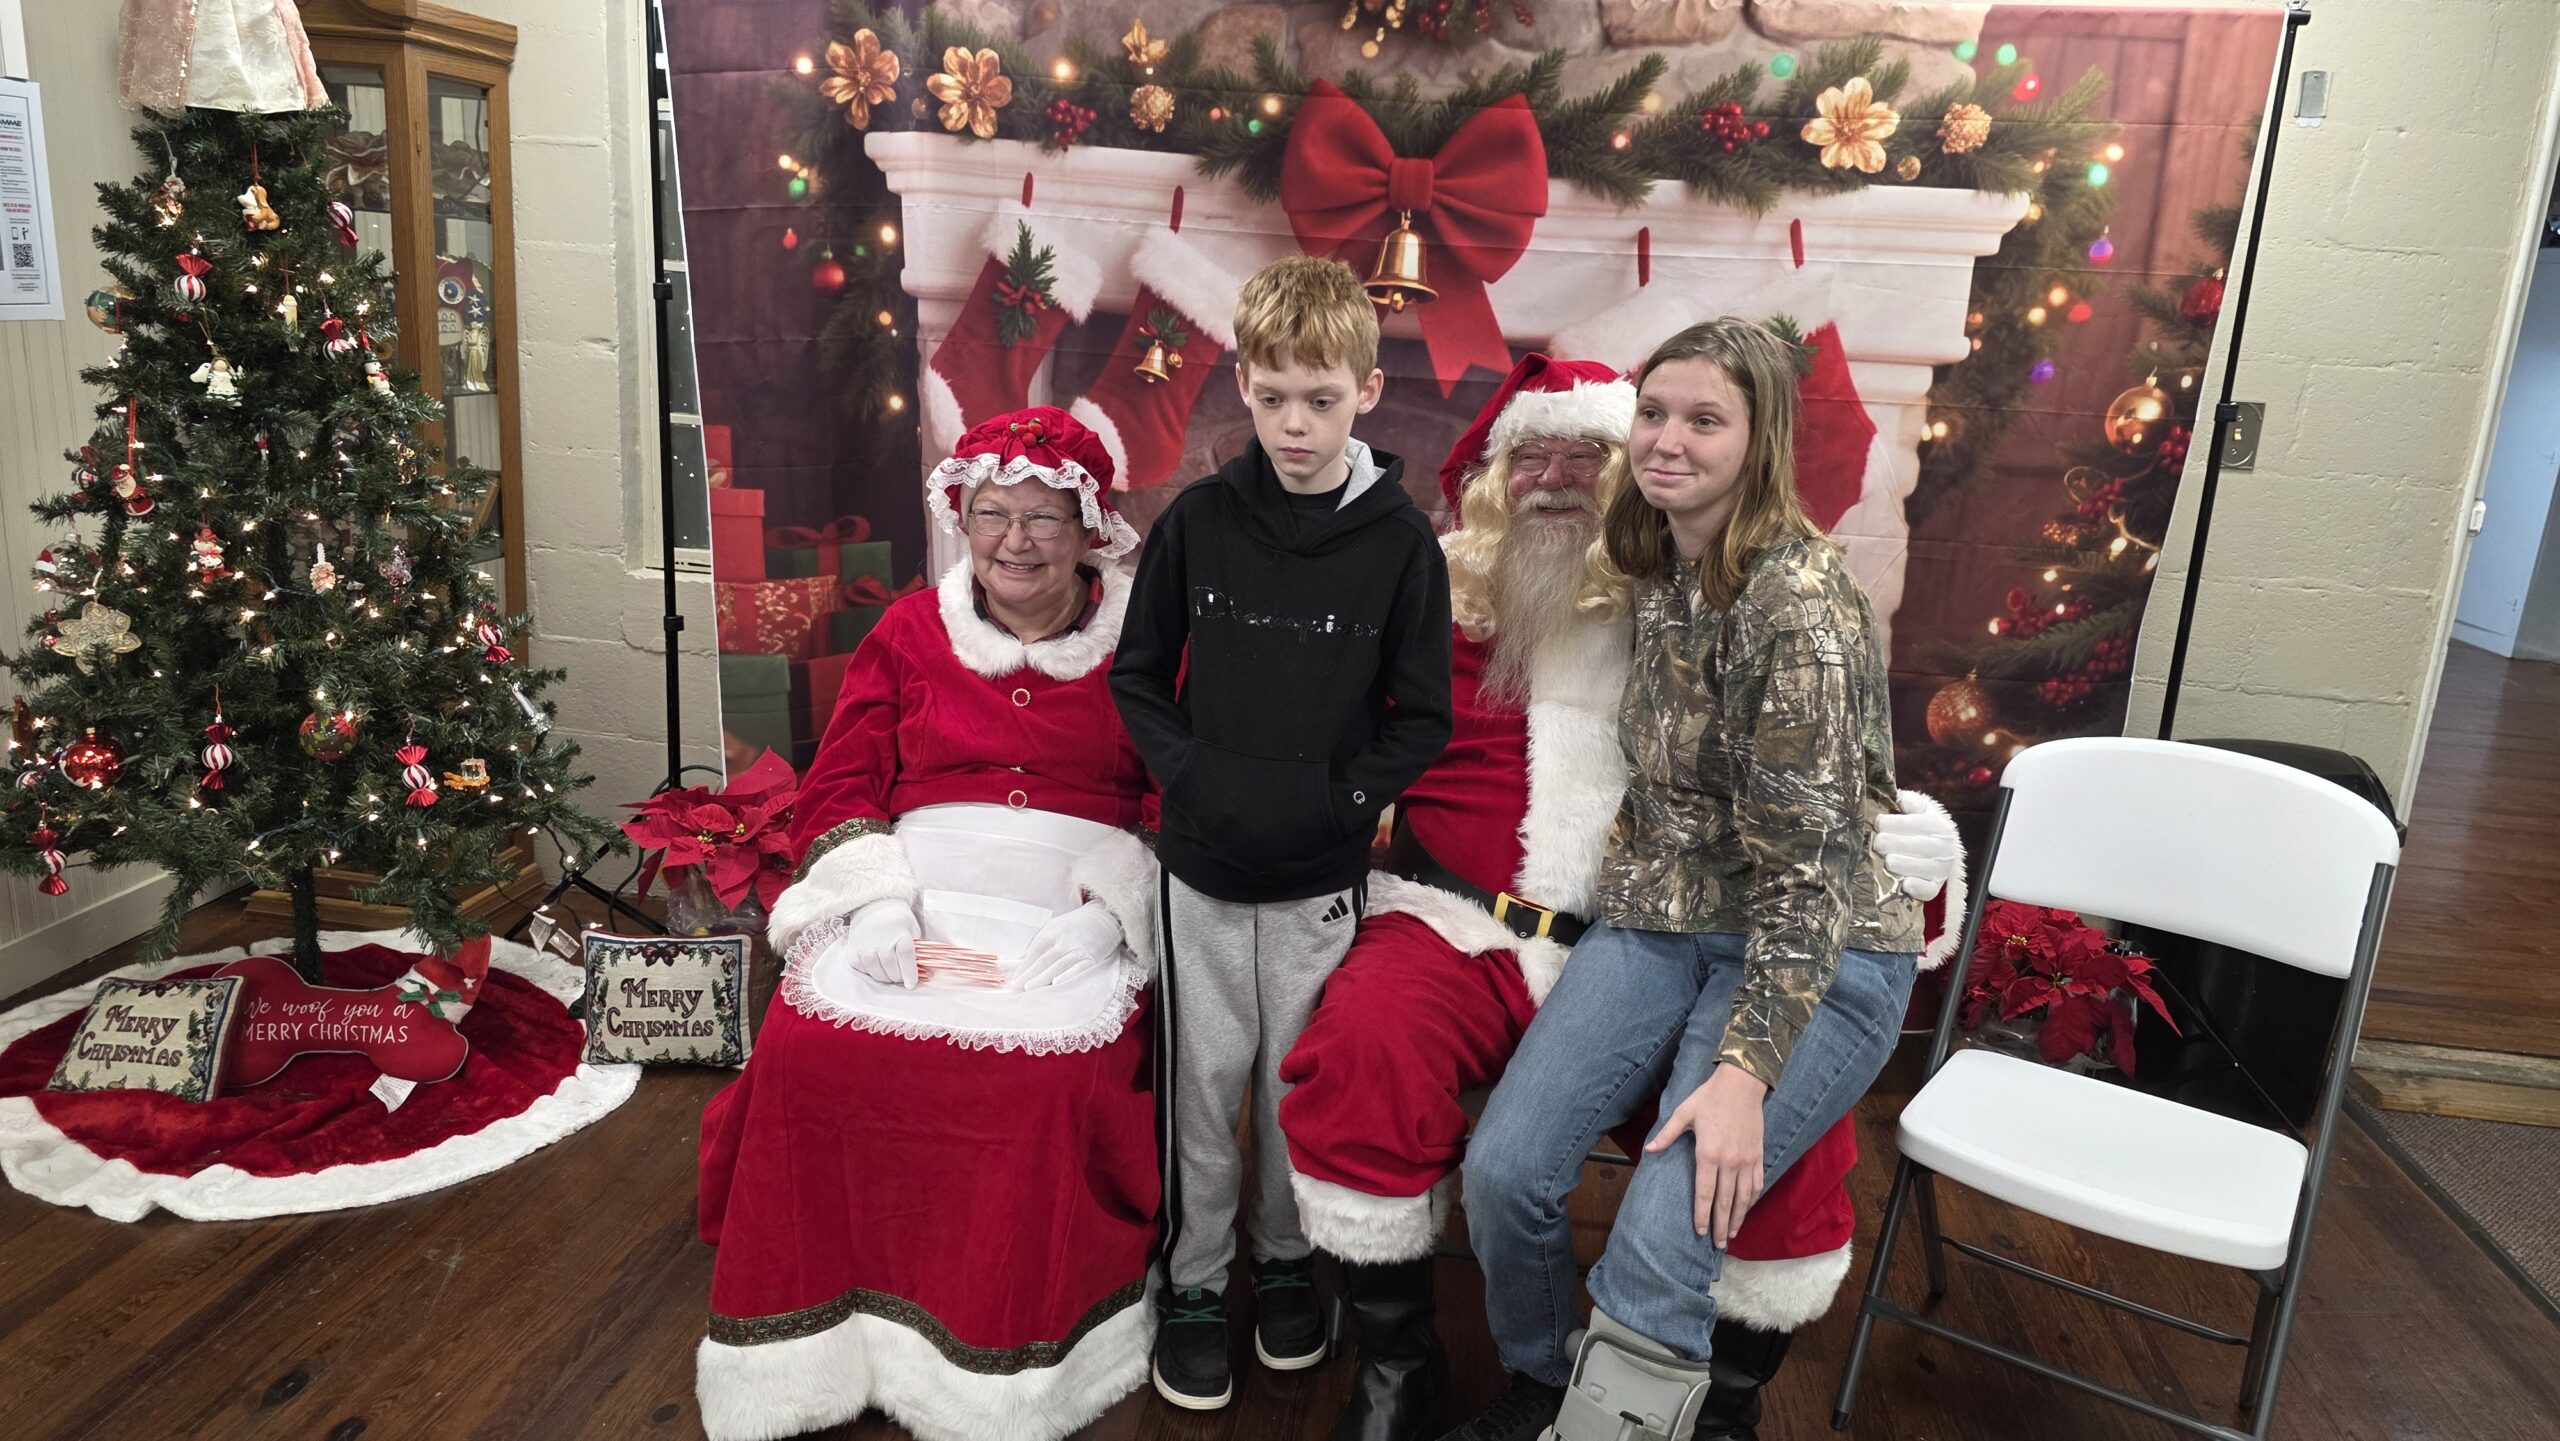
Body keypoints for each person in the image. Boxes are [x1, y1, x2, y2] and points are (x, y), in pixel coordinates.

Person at [1275, 354, 1962, 1441]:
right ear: (1493, 480)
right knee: (1366, 1052)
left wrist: (1904, 833)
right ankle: (1409, 1364)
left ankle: (1717, 1402)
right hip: (1459, 922)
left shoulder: (1716, 593)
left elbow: (1819, 774)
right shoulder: (1431, 597)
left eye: (1583, 455)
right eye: (1530, 455)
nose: (1554, 479)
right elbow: (1307, 726)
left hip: (1664, 932)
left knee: (1761, 1154)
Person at [1440, 320, 1930, 1441]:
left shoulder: (1798, 605)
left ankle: (1618, 1424)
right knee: (1506, 1170)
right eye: (1654, 413)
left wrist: (1745, 1074)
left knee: (1666, 1224)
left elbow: (1807, 878)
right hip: (1660, 918)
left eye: (1704, 419)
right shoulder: (1651, 551)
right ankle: (1543, 1385)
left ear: (1761, 440)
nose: (1666, 440)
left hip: (1815, 948)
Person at [694, 409, 1163, 1441]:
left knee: (1042, 1080)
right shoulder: (910, 631)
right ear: (962, 515)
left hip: (1068, 907)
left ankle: (998, 1365)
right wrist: (874, 898)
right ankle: (816, 1346)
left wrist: (1116, 910)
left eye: (1043, 518)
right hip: (919, 885)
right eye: (992, 514)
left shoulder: (1149, 639)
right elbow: (842, 779)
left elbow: (1179, 795)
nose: (1014, 541)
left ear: (1090, 529)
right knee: (812, 1047)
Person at [1110, 255, 1456, 1411]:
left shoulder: (1401, 546)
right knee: (1202, 1091)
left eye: (1320, 398)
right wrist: (1195, 780)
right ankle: (1196, 1282)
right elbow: (1139, 676)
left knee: (1287, 1092)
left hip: (1319, 876)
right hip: (1201, 873)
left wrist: (1338, 801)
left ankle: (1284, 1261)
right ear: (1243, 389)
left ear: (1367, 390)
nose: (1295, 424)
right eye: (1272, 398)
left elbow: (1421, 718)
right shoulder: (1198, 522)